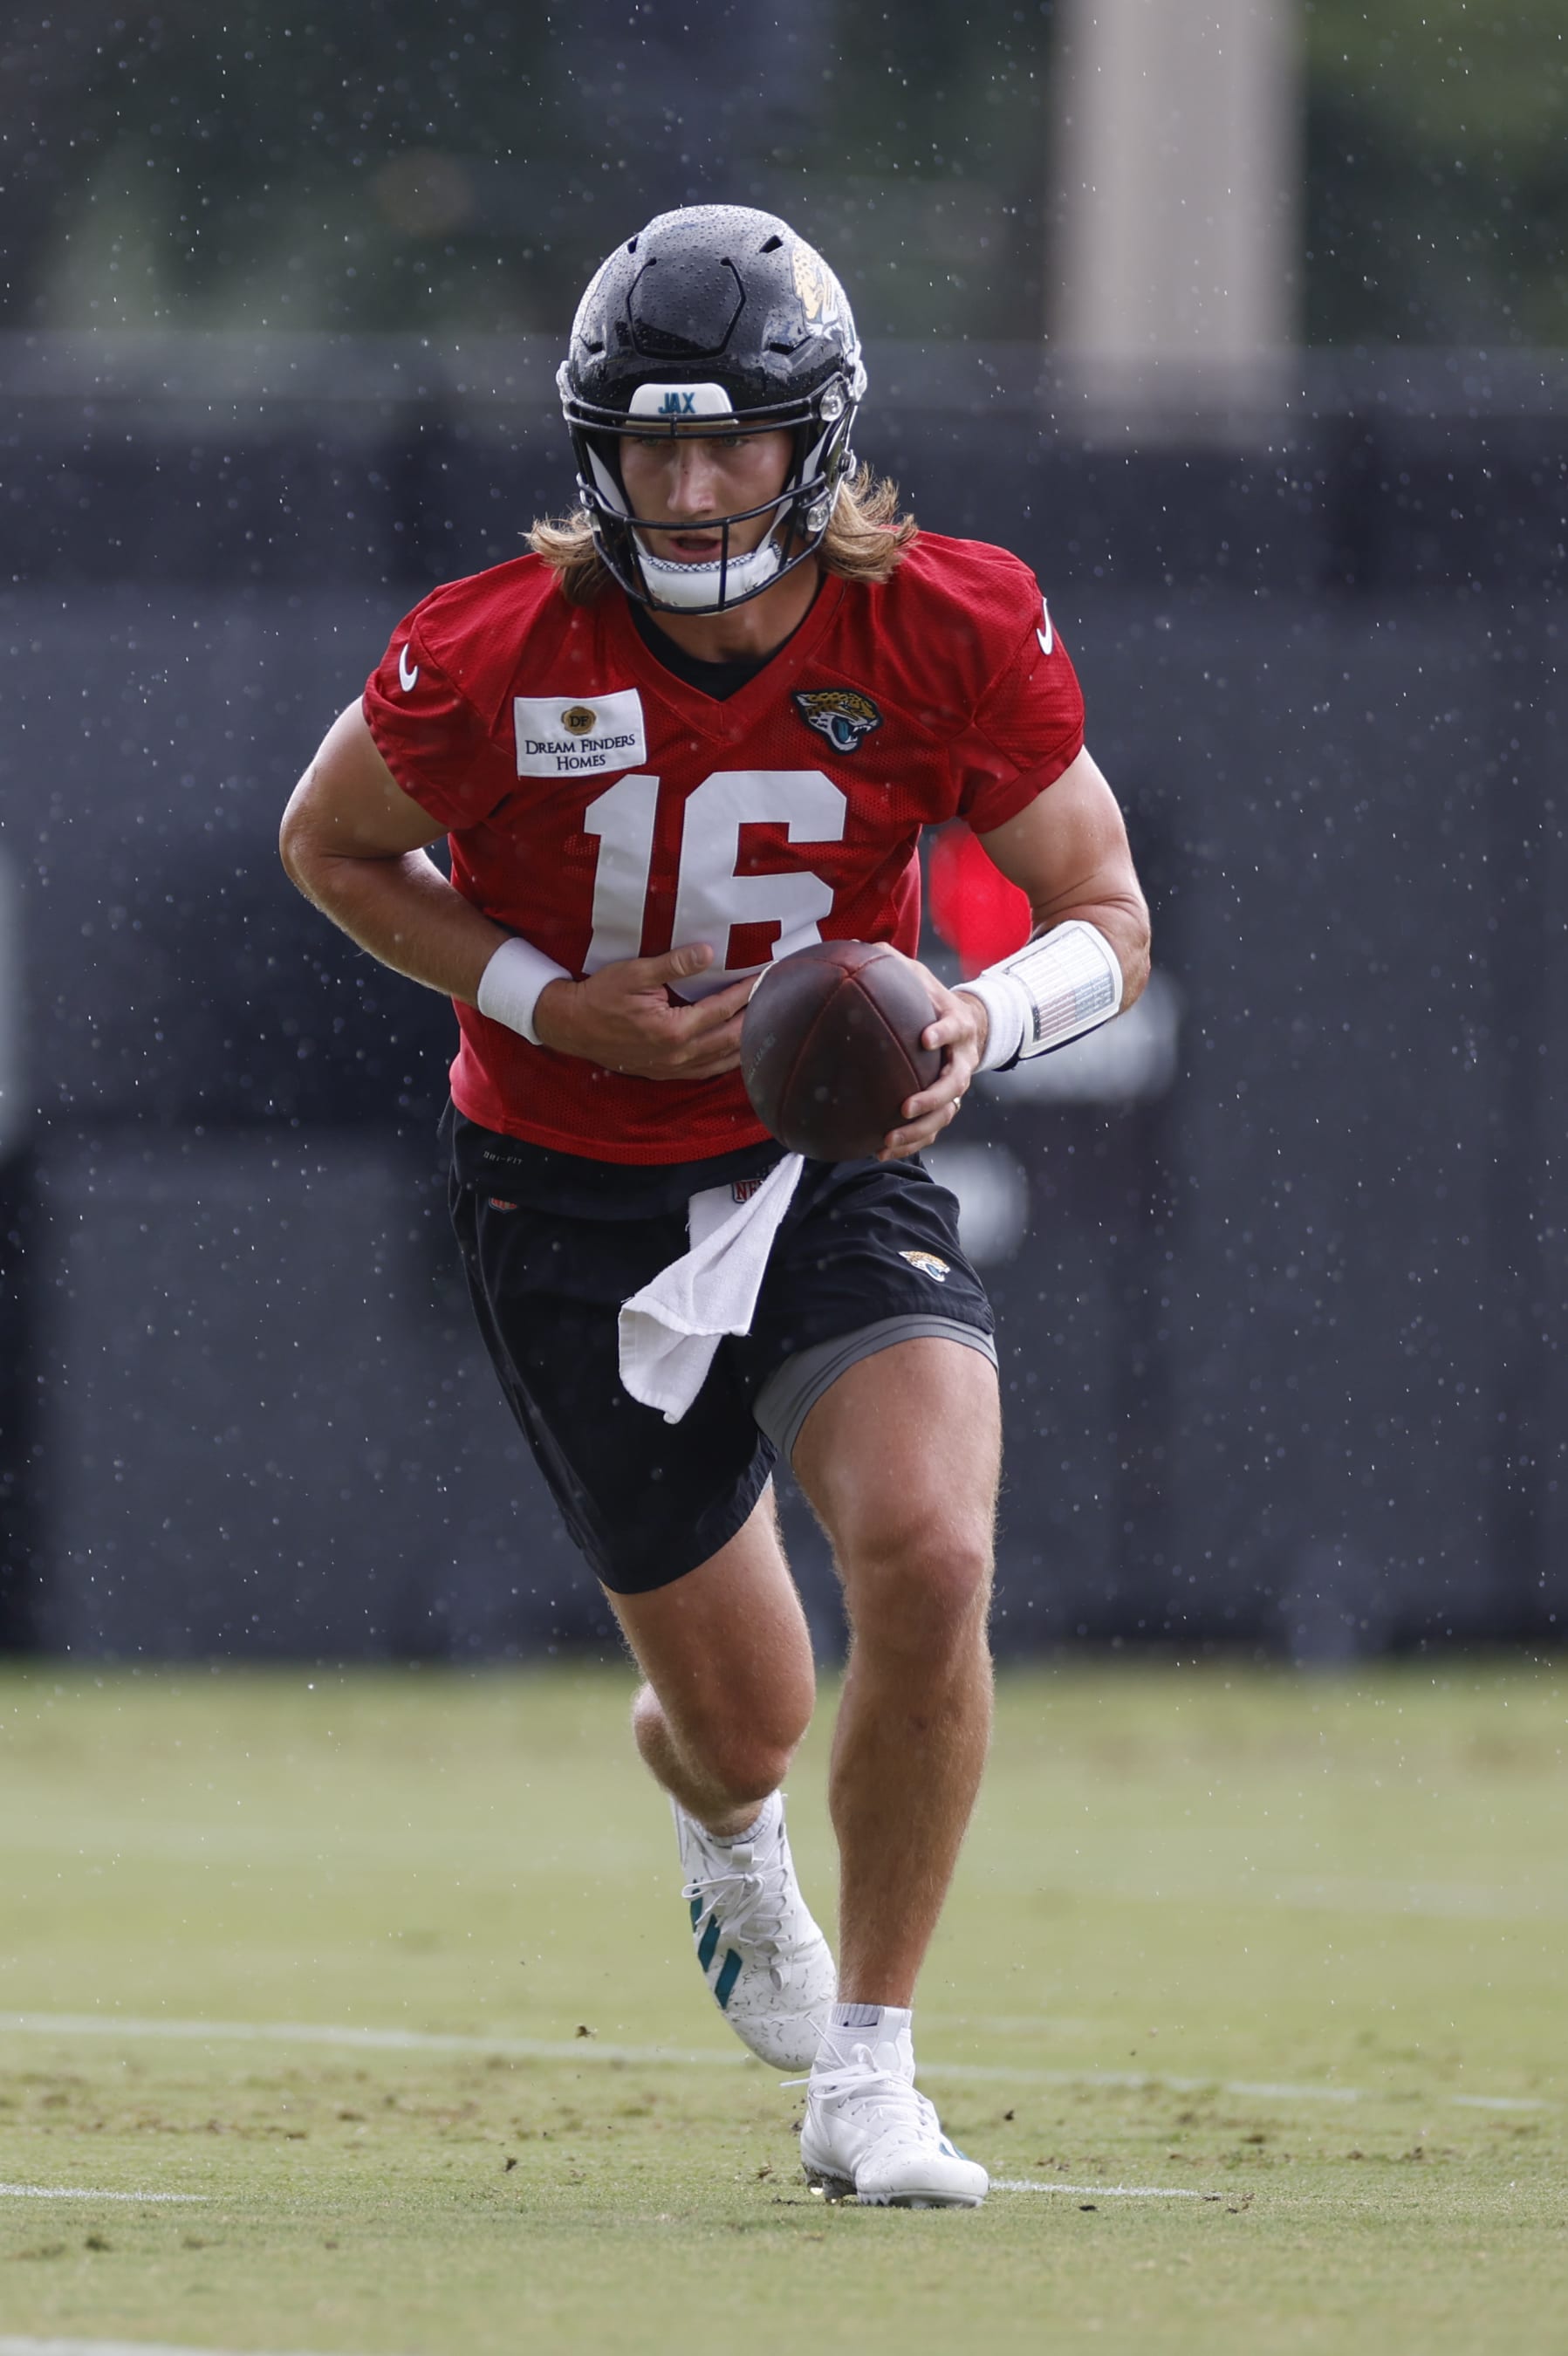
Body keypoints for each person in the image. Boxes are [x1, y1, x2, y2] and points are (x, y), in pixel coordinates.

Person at [280, 204, 1150, 2209]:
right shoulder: (492, 647)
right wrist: (543, 995)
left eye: (727, 443)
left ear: (813, 439)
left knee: (928, 1549)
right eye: (647, 447)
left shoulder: (942, 623)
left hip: (820, 1160)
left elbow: (1104, 914)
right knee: (741, 1720)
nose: (684, 489)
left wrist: (976, 1015)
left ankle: (870, 2074)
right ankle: (724, 1830)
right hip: (567, 1186)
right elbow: (330, 845)